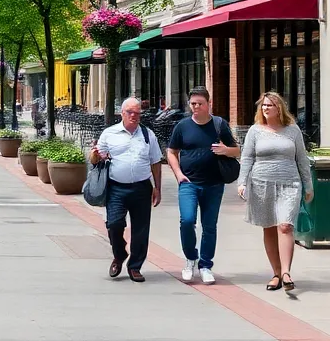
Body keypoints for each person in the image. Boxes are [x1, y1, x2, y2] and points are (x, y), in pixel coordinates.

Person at [238, 92, 314, 292]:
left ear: (279, 108)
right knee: (269, 227)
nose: (265, 109)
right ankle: (276, 273)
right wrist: (242, 182)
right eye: (263, 106)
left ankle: (287, 273)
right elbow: (247, 158)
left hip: (289, 183)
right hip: (261, 184)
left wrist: (309, 185)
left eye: (269, 105)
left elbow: (302, 159)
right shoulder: (255, 131)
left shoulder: (292, 130)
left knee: (285, 226)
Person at [166, 86, 240, 284]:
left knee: (209, 226)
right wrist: (179, 174)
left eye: (200, 104)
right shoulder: (182, 126)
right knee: (187, 220)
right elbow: (171, 152)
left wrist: (225, 149)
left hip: (214, 184)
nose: (196, 107)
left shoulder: (219, 125)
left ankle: (206, 265)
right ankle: (191, 258)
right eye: (193, 104)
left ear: (209, 104)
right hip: (188, 183)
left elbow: (237, 151)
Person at [89, 98, 163, 282]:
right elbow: (94, 160)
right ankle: (119, 254)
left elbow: (156, 162)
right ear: (122, 113)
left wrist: (157, 188)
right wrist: (95, 155)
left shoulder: (148, 135)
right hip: (116, 187)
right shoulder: (110, 133)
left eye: (137, 113)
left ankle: (135, 266)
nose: (134, 116)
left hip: (141, 187)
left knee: (140, 229)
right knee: (114, 224)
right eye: (130, 112)